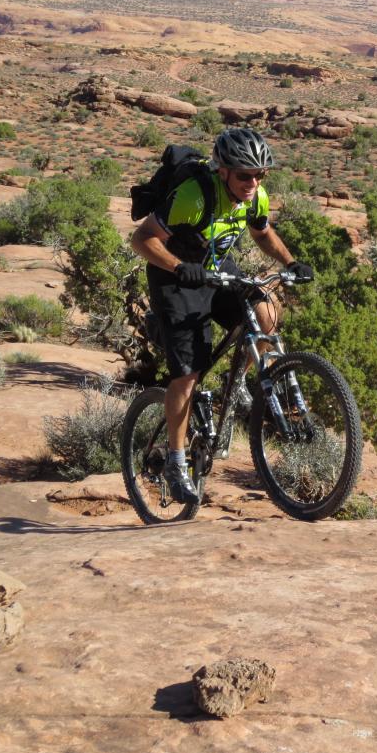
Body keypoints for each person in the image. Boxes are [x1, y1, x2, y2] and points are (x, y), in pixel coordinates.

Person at [130, 127, 313, 503]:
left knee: (266, 313)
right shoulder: (194, 197)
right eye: (245, 174)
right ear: (223, 170)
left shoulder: (254, 196)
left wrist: (291, 262)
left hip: (216, 269)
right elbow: (142, 238)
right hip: (176, 278)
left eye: (260, 174)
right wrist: (180, 267)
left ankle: (241, 382)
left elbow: (262, 233)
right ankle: (176, 461)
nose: (253, 182)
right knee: (188, 374)